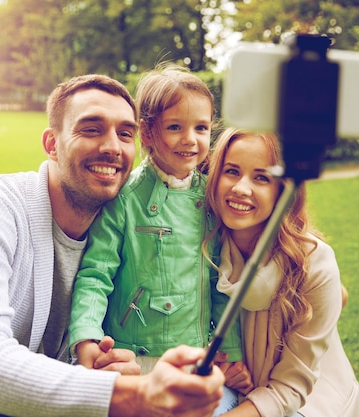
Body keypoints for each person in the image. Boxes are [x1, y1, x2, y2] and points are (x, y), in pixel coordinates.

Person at [0, 74, 226, 417]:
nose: (111, 147)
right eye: (91, 129)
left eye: (124, 134)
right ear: (51, 144)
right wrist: (133, 394)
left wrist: (104, 366)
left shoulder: (122, 229)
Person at [68, 65, 252, 416]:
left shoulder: (212, 199)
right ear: (147, 133)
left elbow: (220, 283)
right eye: (175, 127)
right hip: (132, 360)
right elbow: (95, 275)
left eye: (200, 128)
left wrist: (230, 354)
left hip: (192, 356)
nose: (190, 139)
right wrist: (86, 337)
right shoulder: (124, 199)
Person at [201, 128, 359, 417]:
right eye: (231, 171)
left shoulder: (315, 263)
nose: (241, 189)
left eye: (261, 177)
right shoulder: (207, 246)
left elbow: (290, 389)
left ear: (283, 190)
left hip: (308, 401)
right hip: (240, 390)